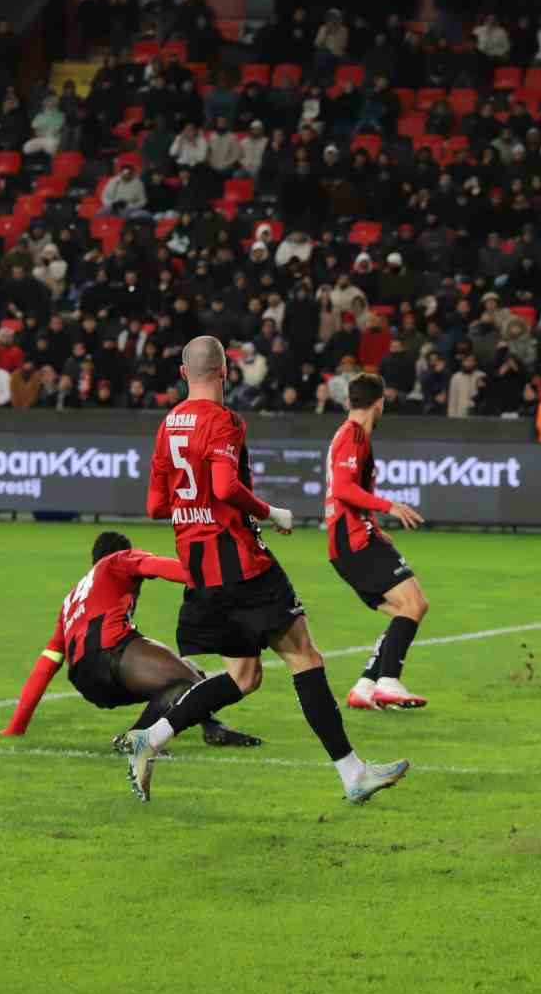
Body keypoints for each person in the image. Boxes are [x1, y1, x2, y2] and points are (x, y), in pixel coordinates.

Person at [140, 335, 409, 803]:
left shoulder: (168, 425)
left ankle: (153, 737)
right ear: (225, 372)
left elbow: (156, 505)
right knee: (305, 657)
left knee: (245, 676)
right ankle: (353, 774)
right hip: (241, 563)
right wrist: (271, 512)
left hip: (200, 568)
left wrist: (195, 508)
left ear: (184, 374)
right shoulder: (224, 421)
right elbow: (225, 487)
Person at [0, 531, 260, 751]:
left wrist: (16, 727)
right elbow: (154, 565)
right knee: (187, 683)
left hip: (87, 680)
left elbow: (46, 665)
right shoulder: (117, 560)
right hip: (112, 652)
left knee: (193, 672)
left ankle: (213, 728)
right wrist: (210, 577)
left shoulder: (71, 602)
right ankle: (136, 739)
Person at [324, 373, 433, 712]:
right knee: (414, 604)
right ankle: (388, 681)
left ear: (348, 401)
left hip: (350, 540)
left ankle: (365, 686)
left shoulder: (351, 435)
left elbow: (347, 492)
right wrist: (389, 506)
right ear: (379, 403)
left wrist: (373, 521)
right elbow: (342, 488)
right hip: (354, 541)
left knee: (405, 610)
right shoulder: (353, 435)